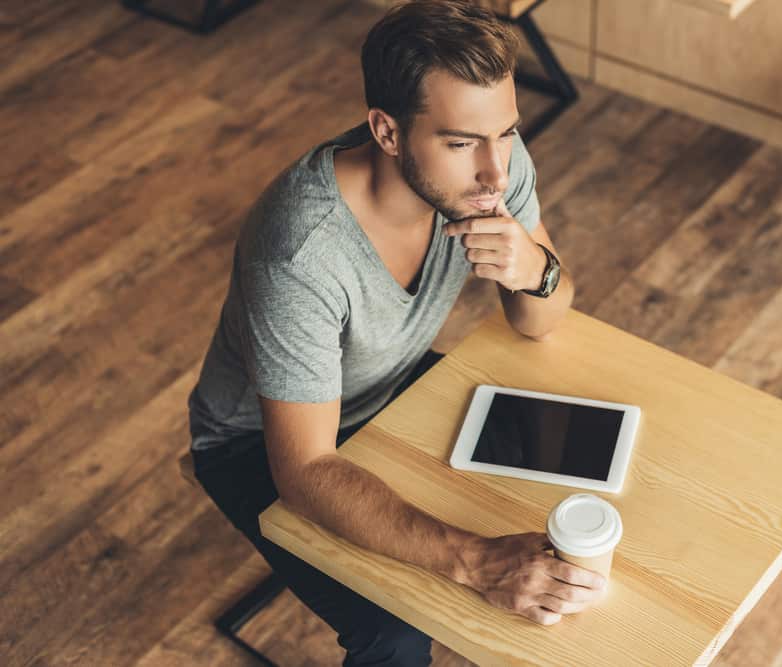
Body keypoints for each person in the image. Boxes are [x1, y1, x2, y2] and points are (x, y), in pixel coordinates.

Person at [187, 1, 604, 663]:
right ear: (386, 131)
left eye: (506, 132)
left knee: (578, 451)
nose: (496, 172)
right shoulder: (299, 250)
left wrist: (533, 269)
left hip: (394, 377)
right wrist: (476, 560)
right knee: (394, 633)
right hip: (260, 440)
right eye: (461, 142)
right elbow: (305, 467)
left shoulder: (492, 165)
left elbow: (539, 320)